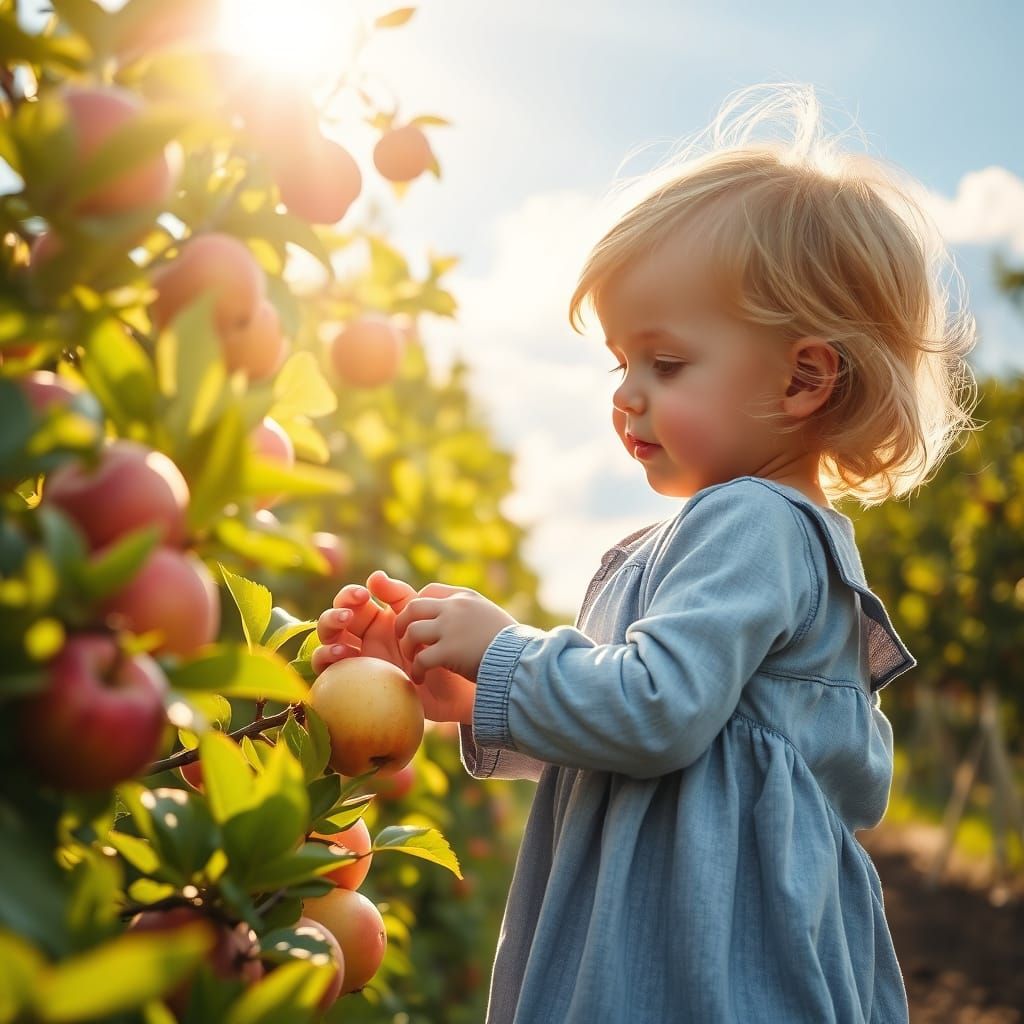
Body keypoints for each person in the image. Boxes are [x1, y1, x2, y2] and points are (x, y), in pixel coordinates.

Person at [311, 83, 977, 1023]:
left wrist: (504, 650)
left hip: (709, 972)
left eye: (664, 363)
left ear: (803, 377)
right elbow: (652, 753)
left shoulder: (752, 522)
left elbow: (655, 712)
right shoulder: (735, 535)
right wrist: (461, 691)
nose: (627, 394)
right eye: (619, 363)